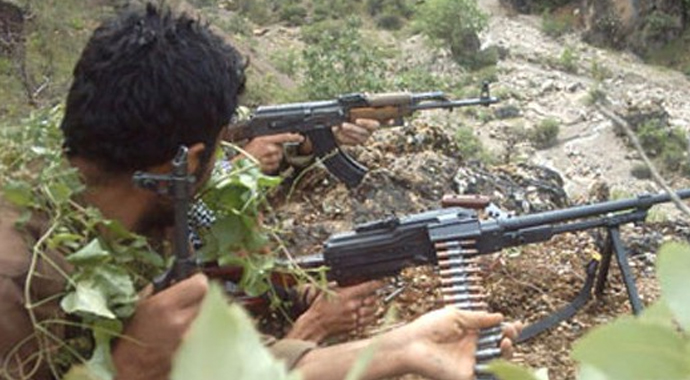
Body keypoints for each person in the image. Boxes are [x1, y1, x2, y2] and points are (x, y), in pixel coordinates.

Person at [0, 4, 519, 380]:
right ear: (193, 161)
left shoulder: (121, 226)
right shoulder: (15, 284)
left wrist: (402, 346)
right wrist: (129, 367)